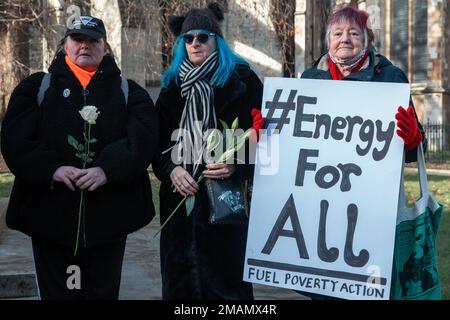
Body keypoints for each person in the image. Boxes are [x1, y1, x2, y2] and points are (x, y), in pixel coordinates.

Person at [0, 15, 159, 299]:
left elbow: (143, 140)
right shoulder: (36, 89)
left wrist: (106, 169)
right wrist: (52, 168)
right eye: (78, 39)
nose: (85, 45)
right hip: (51, 220)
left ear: (105, 48)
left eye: (93, 40)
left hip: (108, 222)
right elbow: (15, 141)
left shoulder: (129, 92)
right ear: (65, 46)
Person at [299, 6, 427, 299]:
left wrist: (412, 137)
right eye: (337, 33)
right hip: (322, 200)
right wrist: (270, 133)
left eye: (353, 33)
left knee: (367, 284)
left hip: (371, 204)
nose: (345, 39)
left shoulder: (390, 77)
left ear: (366, 40)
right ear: (328, 40)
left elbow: (414, 150)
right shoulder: (309, 78)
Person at [153, 3, 263, 300]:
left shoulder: (243, 79)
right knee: (182, 288)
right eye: (188, 38)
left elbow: (264, 134)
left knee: (227, 288)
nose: (195, 43)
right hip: (180, 201)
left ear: (217, 40)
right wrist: (171, 170)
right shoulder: (172, 84)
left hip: (225, 201)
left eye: (203, 37)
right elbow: (157, 143)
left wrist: (237, 166)